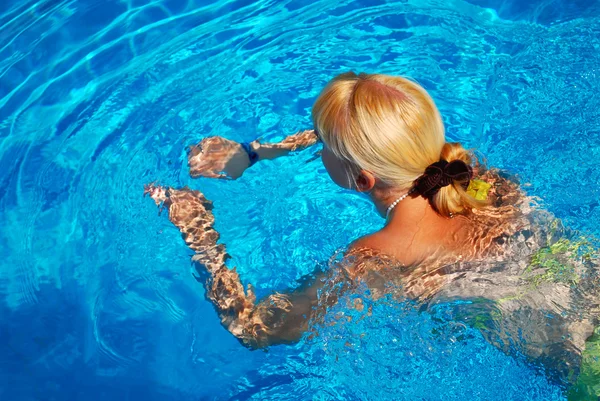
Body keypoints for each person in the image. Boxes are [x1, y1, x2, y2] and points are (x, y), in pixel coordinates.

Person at [145, 72, 599, 390]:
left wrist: (199, 232)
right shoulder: (480, 180)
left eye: (322, 146)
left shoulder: (378, 255)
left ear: (362, 180)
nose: (316, 148)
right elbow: (380, 140)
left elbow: (254, 330)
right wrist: (256, 152)